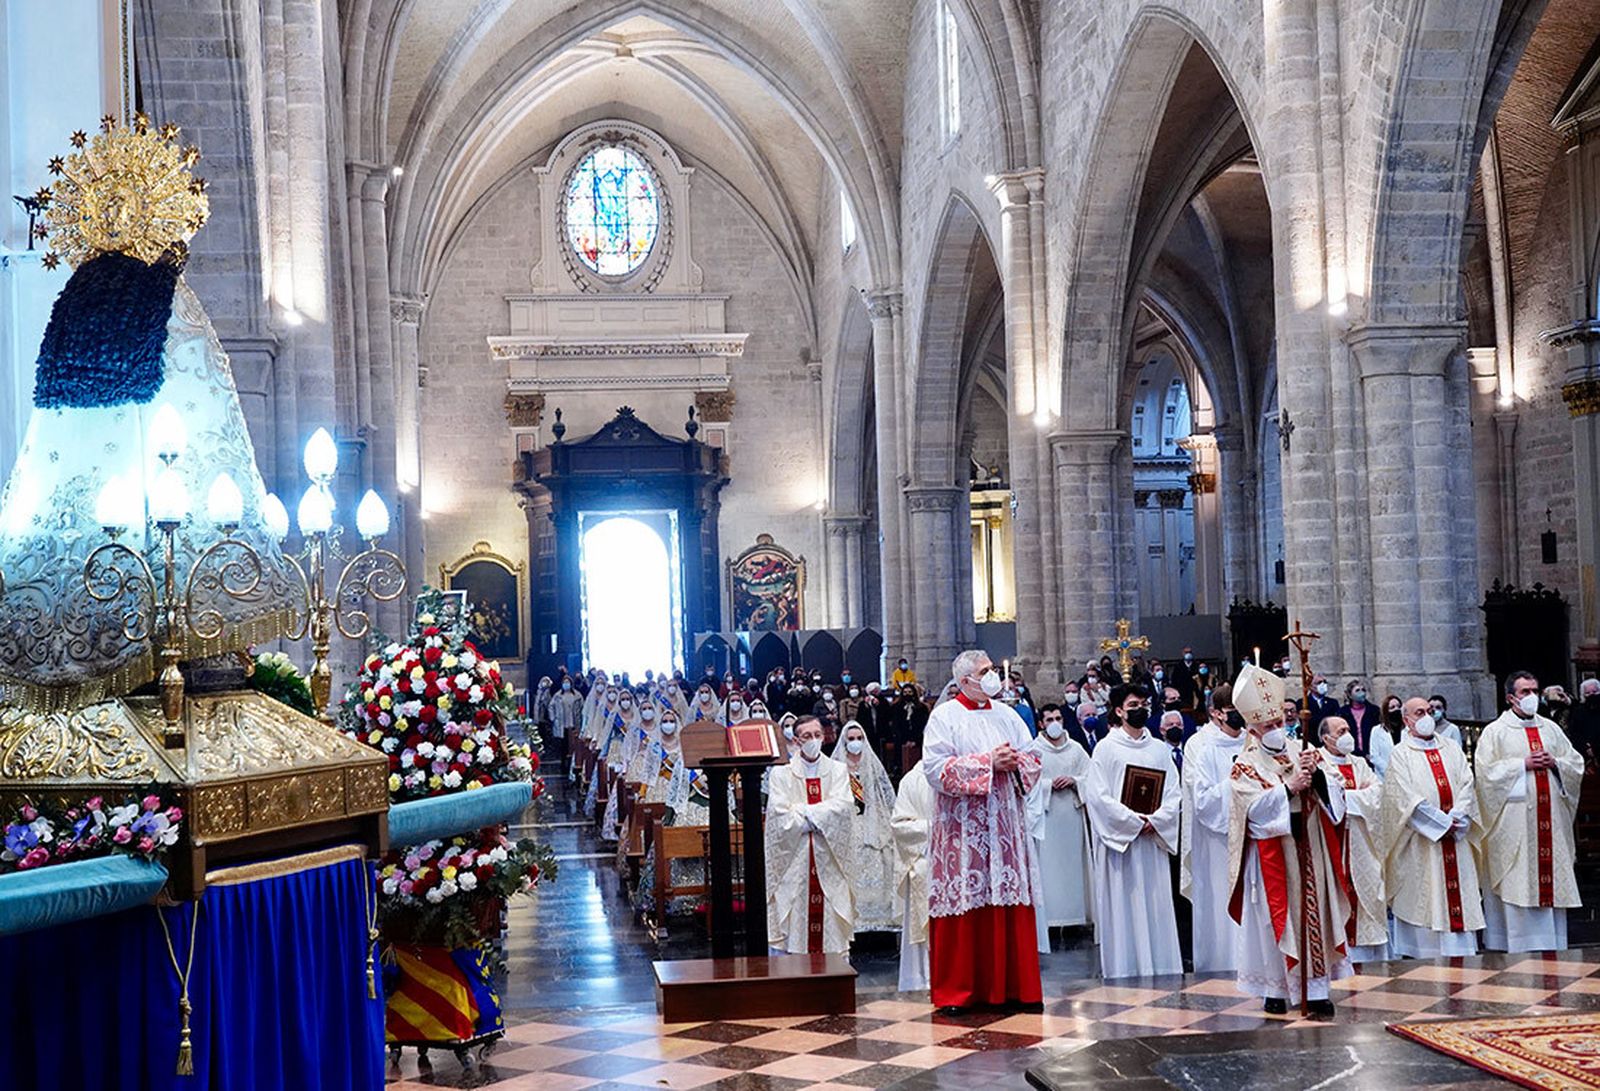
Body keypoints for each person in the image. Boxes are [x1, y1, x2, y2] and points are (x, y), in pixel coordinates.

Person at [1225, 664, 1353, 1016]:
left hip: (1310, 845)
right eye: (1268, 726)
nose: (1277, 730)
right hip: (1274, 853)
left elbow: (1336, 791)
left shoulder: (1303, 749)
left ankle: (1316, 988)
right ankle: (1276, 989)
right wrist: (1287, 789)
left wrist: (1318, 780)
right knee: (1273, 921)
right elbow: (1249, 809)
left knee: (1316, 915)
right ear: (1252, 729)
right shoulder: (1245, 763)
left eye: (1279, 723)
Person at [923, 650, 1044, 1013]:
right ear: (964, 682)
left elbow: (1034, 757)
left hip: (1004, 826)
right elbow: (934, 768)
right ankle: (959, 992)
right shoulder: (944, 716)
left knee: (1006, 897)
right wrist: (987, 763)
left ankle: (1014, 988)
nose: (993, 676)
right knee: (965, 896)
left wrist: (1016, 762)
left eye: (992, 669)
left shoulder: (1008, 715)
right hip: (962, 831)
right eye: (985, 671)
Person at [1473, 671, 1584, 953]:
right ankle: (1516, 942)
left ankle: (1553, 941)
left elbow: (1575, 764)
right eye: (1525, 692)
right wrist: (1520, 764)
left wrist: (1556, 763)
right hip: (1515, 824)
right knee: (1518, 877)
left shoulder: (1551, 729)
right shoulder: (1495, 732)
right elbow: (1485, 775)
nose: (1531, 696)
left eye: (1535, 690)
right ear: (1511, 697)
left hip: (1551, 821)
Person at [1083, 684, 1182, 979]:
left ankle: (1164, 968)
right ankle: (1123, 970)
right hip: (1121, 847)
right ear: (1118, 711)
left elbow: (1174, 793)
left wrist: (1157, 820)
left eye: (1143, 703)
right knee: (1124, 908)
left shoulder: (1158, 749)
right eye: (1133, 704)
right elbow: (1098, 797)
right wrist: (1133, 822)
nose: (1140, 709)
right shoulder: (1106, 748)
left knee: (1155, 906)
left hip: (1152, 840)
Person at [1381, 696, 1484, 958]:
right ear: (1406, 720)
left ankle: (1461, 951)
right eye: (1419, 712)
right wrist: (1441, 823)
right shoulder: (1400, 754)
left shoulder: (1451, 747)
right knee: (1427, 898)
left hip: (1455, 837)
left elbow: (1466, 784)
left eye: (1429, 710)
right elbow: (1404, 798)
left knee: (1456, 899)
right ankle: (1424, 954)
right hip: (1423, 842)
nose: (1427, 716)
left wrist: (1457, 817)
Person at [765, 717, 856, 954]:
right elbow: (779, 816)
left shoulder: (838, 770)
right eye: (807, 736)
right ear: (796, 740)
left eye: (817, 735)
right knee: (795, 925)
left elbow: (843, 809)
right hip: (795, 862)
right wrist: (820, 816)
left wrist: (802, 812)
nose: (813, 740)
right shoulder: (780, 774)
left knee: (830, 925)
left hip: (828, 859)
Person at [1180, 683, 1247, 974]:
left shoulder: (1250, 740)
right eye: (1232, 712)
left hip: (1250, 833)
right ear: (1216, 713)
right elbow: (1200, 796)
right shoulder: (1200, 744)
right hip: (1216, 838)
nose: (1238, 718)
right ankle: (1220, 962)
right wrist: (1238, 783)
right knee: (1221, 900)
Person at [1318, 715, 1388, 963]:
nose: (1347, 734)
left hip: (1360, 839)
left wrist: (1346, 799)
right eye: (1340, 731)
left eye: (1348, 729)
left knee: (1367, 892)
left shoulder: (1358, 762)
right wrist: (1353, 796)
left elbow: (1377, 792)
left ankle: (1366, 956)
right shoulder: (1318, 761)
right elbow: (1324, 794)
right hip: (1331, 841)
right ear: (1326, 738)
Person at [1025, 706, 1094, 935]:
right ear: (1041, 723)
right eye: (1049, 719)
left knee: (1073, 867)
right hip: (1047, 817)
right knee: (1049, 868)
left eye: (1058, 718)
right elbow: (1027, 784)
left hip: (1072, 815)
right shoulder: (1034, 750)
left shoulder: (1076, 749)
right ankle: (1051, 921)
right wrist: (1047, 785)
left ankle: (1076, 918)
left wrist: (1075, 781)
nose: (1055, 722)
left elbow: (1091, 777)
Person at [831, 721, 899, 933]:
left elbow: (882, 793)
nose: (855, 743)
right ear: (844, 742)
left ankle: (878, 915)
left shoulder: (871, 763)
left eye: (859, 738)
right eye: (851, 739)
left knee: (880, 857)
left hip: (872, 820)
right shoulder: (837, 768)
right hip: (847, 820)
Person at [892, 758, 934, 990]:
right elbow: (899, 825)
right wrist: (934, 828)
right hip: (925, 861)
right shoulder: (913, 780)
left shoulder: (961, 776)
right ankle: (921, 977)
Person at [1337, 680, 1382, 763]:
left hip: (1371, 753)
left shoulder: (1374, 711)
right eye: (1357, 690)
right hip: (1351, 754)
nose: (1361, 693)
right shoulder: (1343, 712)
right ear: (1350, 695)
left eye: (1363, 690)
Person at [1569, 678, 1600, 767]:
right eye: (1588, 693)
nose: (1591, 695)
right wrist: (1585, 748)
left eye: (1595, 692)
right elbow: (1574, 733)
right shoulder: (1578, 711)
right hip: (1586, 757)